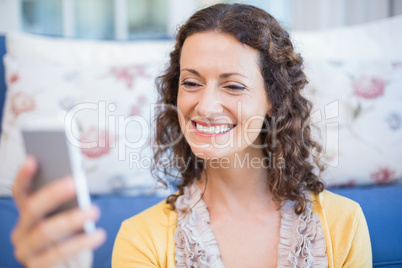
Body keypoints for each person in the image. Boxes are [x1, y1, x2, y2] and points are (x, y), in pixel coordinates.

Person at [11, 3, 372, 268]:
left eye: (232, 85)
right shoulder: (143, 238)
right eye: (191, 82)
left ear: (274, 102)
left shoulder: (343, 224)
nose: (205, 105)